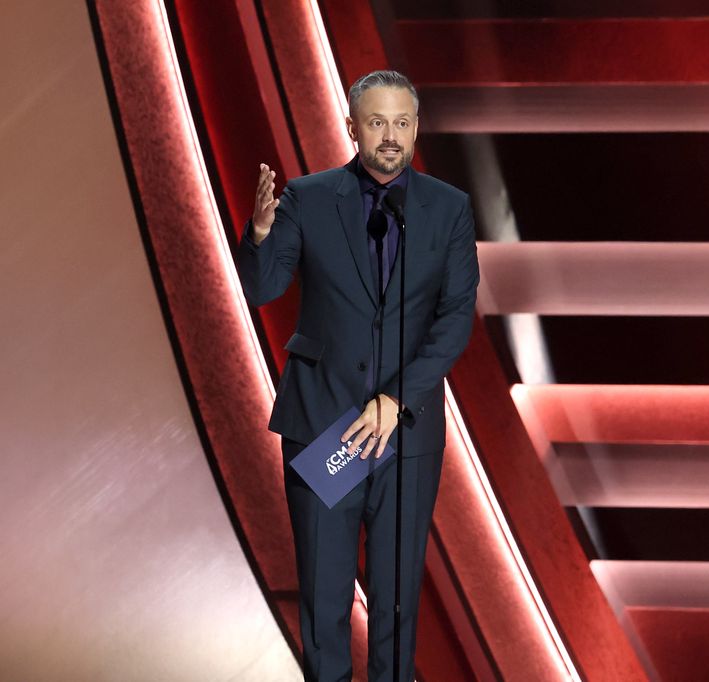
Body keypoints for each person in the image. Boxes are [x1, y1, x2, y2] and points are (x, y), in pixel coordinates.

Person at [237, 69, 479, 681]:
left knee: (397, 601)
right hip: (324, 423)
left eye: (402, 122)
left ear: (417, 127)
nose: (391, 136)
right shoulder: (308, 198)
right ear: (352, 128)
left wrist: (396, 398)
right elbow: (264, 288)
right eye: (377, 122)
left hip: (407, 433)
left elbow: (453, 319)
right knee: (324, 601)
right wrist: (261, 234)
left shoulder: (449, 209)